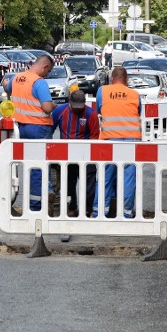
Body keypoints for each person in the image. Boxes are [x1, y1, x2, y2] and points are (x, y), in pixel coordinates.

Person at [6, 54, 58, 211]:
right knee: (40, 165)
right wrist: (55, 105)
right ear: (44, 67)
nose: (47, 75)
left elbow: (6, 86)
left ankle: (40, 197)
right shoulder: (39, 82)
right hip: (39, 128)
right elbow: (47, 107)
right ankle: (38, 204)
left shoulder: (17, 78)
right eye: (48, 72)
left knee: (29, 165)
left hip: (21, 128)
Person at [94, 66, 141, 218]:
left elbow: (100, 110)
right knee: (128, 178)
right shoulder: (135, 94)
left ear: (112, 79)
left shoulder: (103, 91)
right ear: (126, 80)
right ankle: (126, 213)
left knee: (105, 177)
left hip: (109, 139)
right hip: (131, 140)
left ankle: (100, 212)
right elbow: (138, 112)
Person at [52, 89, 100, 217]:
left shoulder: (91, 114)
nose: (77, 110)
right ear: (69, 102)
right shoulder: (60, 111)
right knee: (69, 183)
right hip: (67, 154)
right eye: (75, 107)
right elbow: (50, 129)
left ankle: (87, 209)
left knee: (89, 184)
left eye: (80, 107)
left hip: (86, 154)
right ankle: (71, 208)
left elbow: (94, 137)